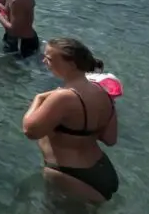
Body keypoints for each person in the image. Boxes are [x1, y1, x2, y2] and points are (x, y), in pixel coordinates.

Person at [22, 38, 119, 204]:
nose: (44, 61)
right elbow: (110, 139)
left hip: (71, 174)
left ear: (72, 64)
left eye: (49, 58)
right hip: (103, 170)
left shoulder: (63, 97)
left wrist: (38, 99)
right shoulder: (103, 94)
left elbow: (30, 130)